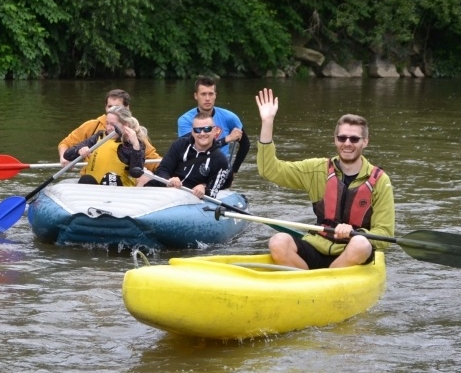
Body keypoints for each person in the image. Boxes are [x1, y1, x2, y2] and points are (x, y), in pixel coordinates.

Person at [254, 87, 395, 269]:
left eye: (354, 139)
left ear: (365, 142)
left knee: (360, 244)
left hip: (352, 254)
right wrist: (267, 122)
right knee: (278, 241)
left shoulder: (380, 181)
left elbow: (384, 235)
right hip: (318, 246)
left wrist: (355, 233)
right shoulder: (317, 169)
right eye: (342, 138)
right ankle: (310, 281)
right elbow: (269, 170)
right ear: (335, 139)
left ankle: (325, 278)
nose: (347, 143)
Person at [58, 89, 160, 171]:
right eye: (110, 106)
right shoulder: (93, 127)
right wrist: (64, 158)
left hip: (121, 181)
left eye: (117, 107)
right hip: (92, 178)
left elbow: (152, 159)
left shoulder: (135, 134)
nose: (112, 110)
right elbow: (66, 144)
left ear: (126, 108)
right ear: (105, 107)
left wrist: (167, 172)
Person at [177, 75, 250, 186]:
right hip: (194, 167)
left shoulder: (230, 117)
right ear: (196, 96)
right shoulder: (185, 120)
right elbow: (192, 148)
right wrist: (226, 139)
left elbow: (245, 144)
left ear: (215, 95)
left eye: (211, 94)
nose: (207, 98)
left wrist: (233, 171)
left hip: (218, 167)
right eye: (203, 94)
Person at [145, 114, 229, 198]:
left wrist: (204, 188)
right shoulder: (180, 144)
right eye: (197, 130)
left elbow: (213, 190)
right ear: (192, 132)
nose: (202, 133)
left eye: (207, 129)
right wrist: (168, 180)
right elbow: (163, 169)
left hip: (189, 199)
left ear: (215, 131)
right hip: (165, 190)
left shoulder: (220, 160)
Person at [63, 106, 147, 186]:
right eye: (107, 123)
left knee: (110, 178)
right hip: (94, 188)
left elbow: (136, 173)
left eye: (112, 124)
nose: (108, 128)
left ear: (126, 125)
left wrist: (136, 146)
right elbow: (67, 155)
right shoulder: (98, 137)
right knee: (86, 179)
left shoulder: (134, 144)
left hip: (119, 191)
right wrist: (79, 150)